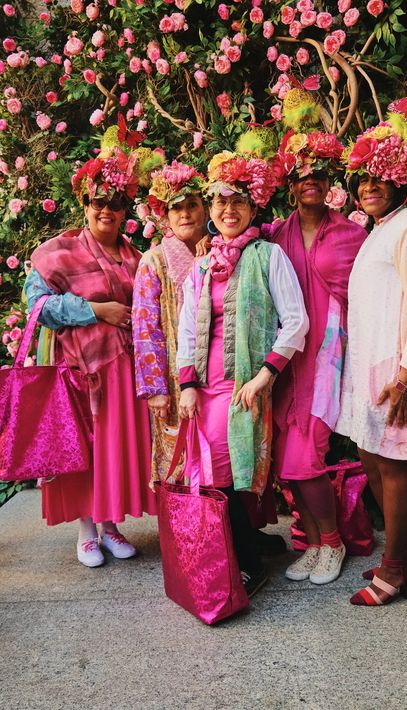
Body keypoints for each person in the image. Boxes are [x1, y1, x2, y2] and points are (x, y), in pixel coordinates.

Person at [177, 149, 309, 597]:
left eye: (238, 202)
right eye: (219, 203)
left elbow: (296, 322)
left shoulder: (268, 256)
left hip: (244, 387)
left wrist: (264, 376)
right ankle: (238, 555)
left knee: (231, 472)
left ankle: (246, 562)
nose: (228, 211)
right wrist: (187, 384)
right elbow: (185, 328)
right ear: (210, 211)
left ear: (254, 208)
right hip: (206, 387)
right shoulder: (200, 266)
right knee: (217, 473)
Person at [25, 143, 159, 567]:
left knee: (113, 451)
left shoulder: (138, 258)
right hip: (80, 371)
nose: (108, 210)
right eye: (99, 201)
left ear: (125, 210)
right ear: (85, 202)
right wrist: (96, 310)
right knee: (84, 450)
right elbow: (38, 308)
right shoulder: (56, 253)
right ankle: (86, 530)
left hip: (126, 373)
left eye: (117, 203)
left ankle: (110, 525)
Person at [340, 72, 407, 605]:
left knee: (394, 463)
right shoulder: (379, 229)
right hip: (369, 366)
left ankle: (395, 565)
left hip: (399, 367)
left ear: (403, 179)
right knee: (371, 459)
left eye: (380, 177)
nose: (369, 186)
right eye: (362, 179)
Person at [265, 123, 367, 586]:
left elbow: (370, 296)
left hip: (326, 360)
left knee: (306, 457)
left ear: (330, 185)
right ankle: (312, 540)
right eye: (302, 172)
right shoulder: (273, 234)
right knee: (287, 460)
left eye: (320, 173)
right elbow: (236, 242)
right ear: (290, 184)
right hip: (285, 360)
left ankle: (333, 542)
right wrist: (208, 236)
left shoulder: (351, 235)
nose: (312, 179)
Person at [132, 161, 208, 484]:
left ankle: (220, 530)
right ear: (165, 215)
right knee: (176, 451)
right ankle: (182, 532)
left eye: (192, 205)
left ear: (205, 210)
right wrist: (155, 389)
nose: (186, 214)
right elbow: (144, 328)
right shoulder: (154, 260)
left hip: (211, 372)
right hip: (172, 380)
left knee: (213, 452)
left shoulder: (218, 251)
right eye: (176, 208)